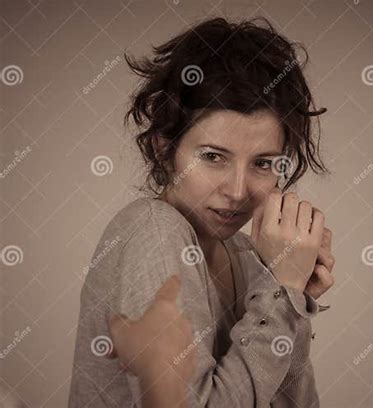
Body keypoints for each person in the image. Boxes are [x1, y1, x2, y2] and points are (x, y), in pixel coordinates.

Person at [68, 16, 336, 408]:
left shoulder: (247, 258)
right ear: (165, 148)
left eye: (263, 163)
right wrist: (281, 292)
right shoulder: (154, 232)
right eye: (213, 157)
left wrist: (290, 301)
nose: (237, 191)